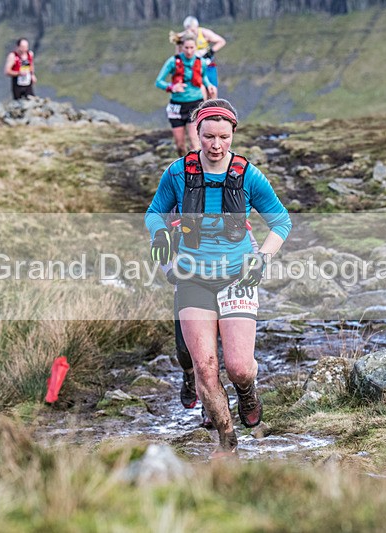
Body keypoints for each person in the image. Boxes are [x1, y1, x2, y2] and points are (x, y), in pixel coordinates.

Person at [146, 99, 292, 457]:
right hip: (193, 278)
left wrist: (262, 258)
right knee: (205, 368)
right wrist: (160, 235)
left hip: (237, 276)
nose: (216, 145)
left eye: (223, 137)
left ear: (233, 134)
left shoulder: (248, 175)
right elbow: (154, 213)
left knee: (239, 367)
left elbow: (281, 222)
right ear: (196, 133)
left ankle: (246, 391)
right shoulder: (177, 173)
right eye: (208, 136)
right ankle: (227, 442)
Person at [162, 211, 258, 430]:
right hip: (190, 287)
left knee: (230, 352)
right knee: (186, 351)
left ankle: (234, 395)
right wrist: (170, 271)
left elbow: (250, 240)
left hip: (230, 285)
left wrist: (253, 267)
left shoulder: (227, 199)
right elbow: (159, 240)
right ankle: (189, 376)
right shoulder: (176, 201)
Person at [154, 34, 214, 157]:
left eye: (192, 48)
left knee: (195, 143)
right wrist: (172, 87)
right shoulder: (173, 61)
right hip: (177, 106)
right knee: (180, 145)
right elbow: (158, 82)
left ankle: (196, 167)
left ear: (196, 47)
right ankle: (183, 164)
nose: (189, 51)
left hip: (195, 103)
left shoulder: (201, 62)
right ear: (182, 47)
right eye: (186, 48)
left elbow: (203, 77)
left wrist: (209, 85)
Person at [175, 16, 226, 94]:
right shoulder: (183, 37)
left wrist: (210, 53)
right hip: (193, 68)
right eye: (188, 30)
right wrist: (178, 43)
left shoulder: (204, 33)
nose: (191, 33)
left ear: (197, 27)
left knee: (212, 90)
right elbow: (178, 55)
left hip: (207, 65)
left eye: (193, 30)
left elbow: (221, 41)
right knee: (199, 91)